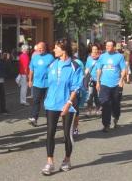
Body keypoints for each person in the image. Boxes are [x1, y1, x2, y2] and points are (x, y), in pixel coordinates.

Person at [41, 39, 82, 175]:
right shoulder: (53, 64)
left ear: (63, 50)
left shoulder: (75, 66)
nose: (54, 50)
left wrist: (68, 103)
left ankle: (67, 159)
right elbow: (50, 83)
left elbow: (75, 88)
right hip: (51, 104)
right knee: (50, 132)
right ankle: (50, 162)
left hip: (67, 104)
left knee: (66, 134)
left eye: (56, 48)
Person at [96, 40, 126, 132]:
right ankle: (106, 125)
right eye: (107, 46)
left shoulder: (119, 56)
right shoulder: (102, 56)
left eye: (110, 46)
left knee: (116, 104)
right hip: (104, 84)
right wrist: (98, 81)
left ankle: (116, 117)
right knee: (105, 104)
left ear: (114, 47)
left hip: (116, 84)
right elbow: (99, 69)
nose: (108, 47)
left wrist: (121, 80)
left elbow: (123, 69)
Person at [27, 42, 54, 127]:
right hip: (37, 83)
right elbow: (31, 70)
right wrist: (30, 80)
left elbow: (54, 70)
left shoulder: (50, 57)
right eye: (38, 48)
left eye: (41, 48)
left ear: (45, 48)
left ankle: (49, 119)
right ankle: (34, 118)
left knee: (47, 102)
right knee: (35, 101)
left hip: (48, 84)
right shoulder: (35, 58)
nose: (40, 49)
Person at [84, 44, 101, 117]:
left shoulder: (101, 58)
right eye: (93, 49)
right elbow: (87, 68)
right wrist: (85, 77)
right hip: (91, 79)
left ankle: (98, 109)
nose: (94, 51)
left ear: (98, 50)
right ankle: (89, 109)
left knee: (97, 95)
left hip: (99, 79)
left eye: (96, 49)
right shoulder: (89, 58)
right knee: (90, 95)